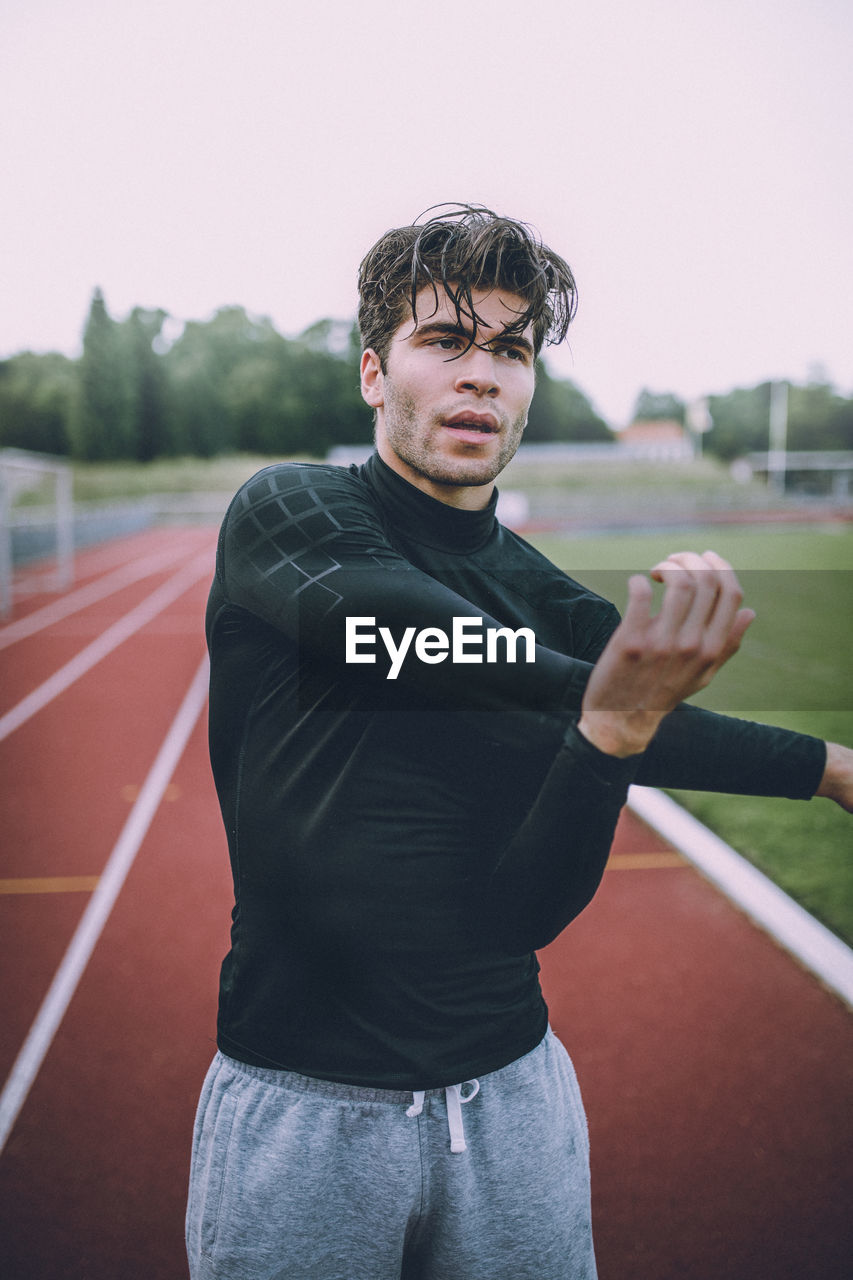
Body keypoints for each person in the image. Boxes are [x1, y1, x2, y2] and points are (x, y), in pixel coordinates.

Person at [186, 205, 852, 1280]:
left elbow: (531, 901)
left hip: (513, 1102)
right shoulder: (289, 516)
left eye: (509, 348)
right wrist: (617, 701)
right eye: (445, 340)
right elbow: (431, 644)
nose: (481, 374)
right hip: (304, 1106)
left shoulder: (538, 595)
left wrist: (631, 738)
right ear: (373, 372)